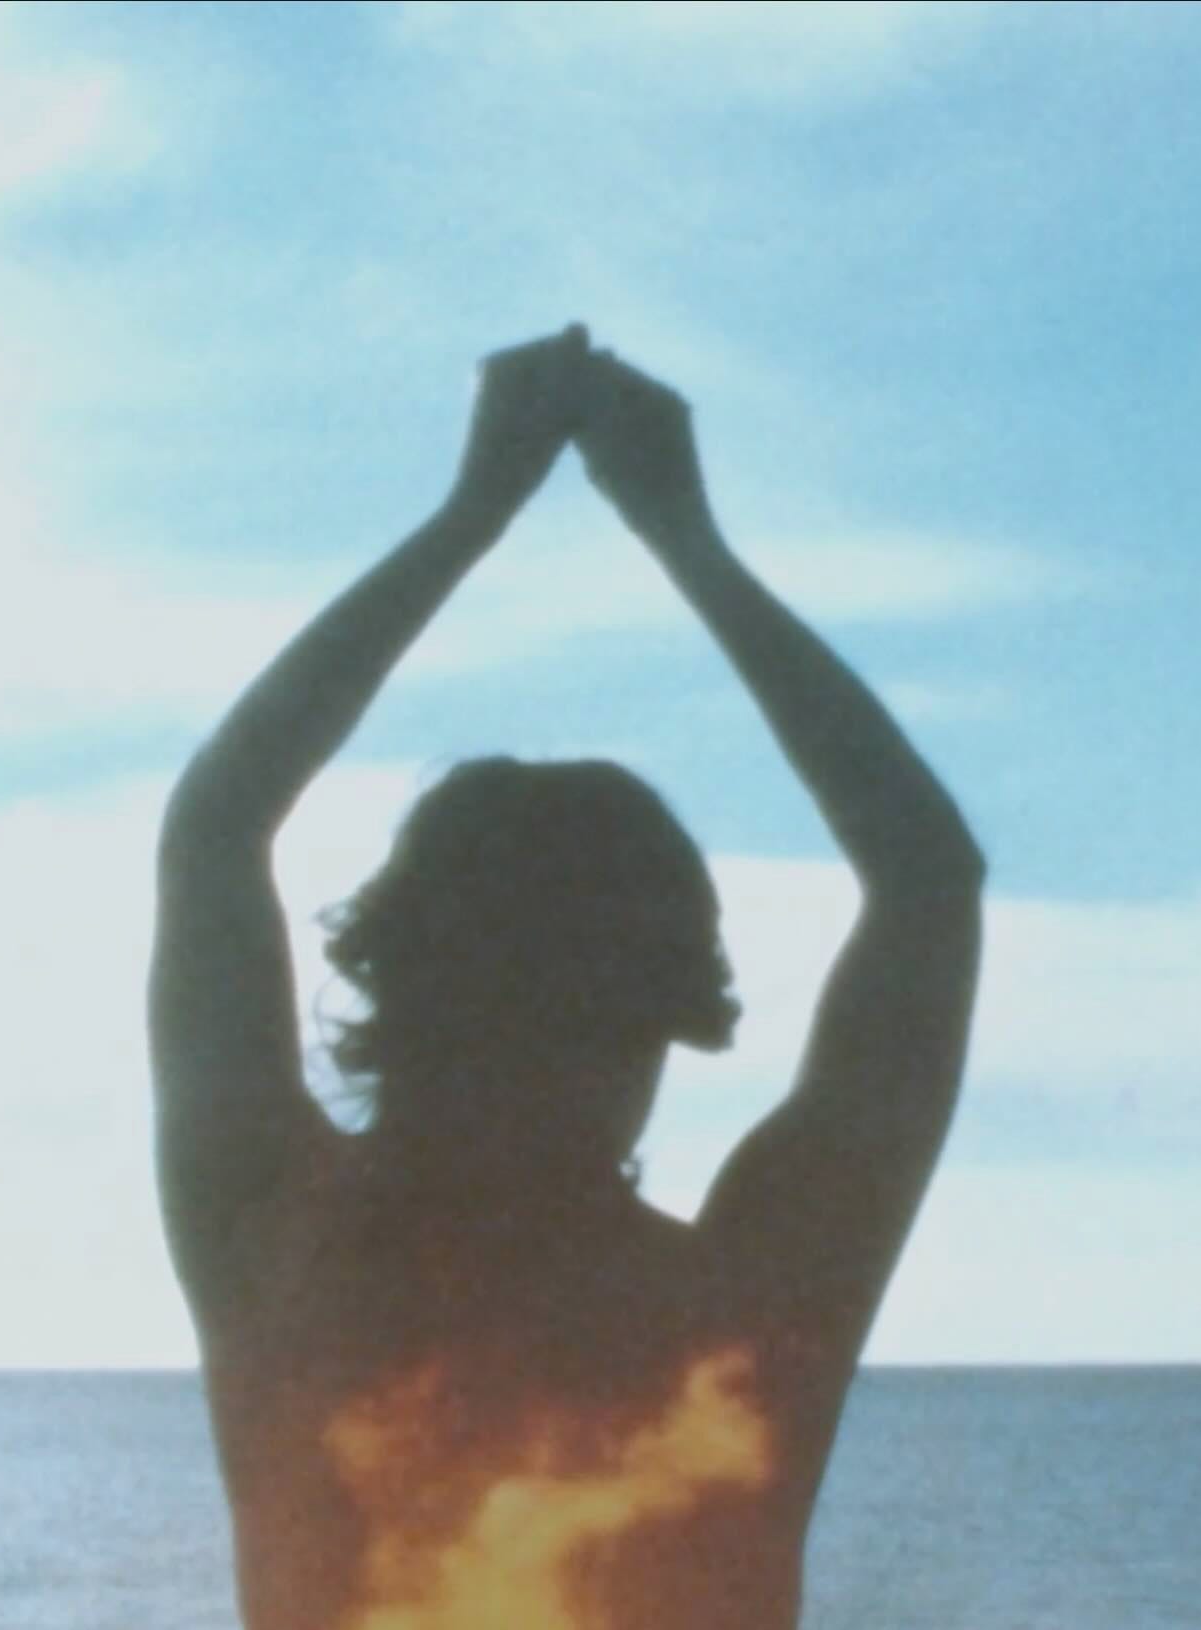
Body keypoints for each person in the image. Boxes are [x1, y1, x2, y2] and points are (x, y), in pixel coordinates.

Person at [149, 326, 985, 1630]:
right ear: (659, 1013)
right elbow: (926, 879)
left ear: (403, 989)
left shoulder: (278, 1249)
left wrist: (472, 511)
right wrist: (683, 537)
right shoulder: (746, 1307)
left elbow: (214, 829)